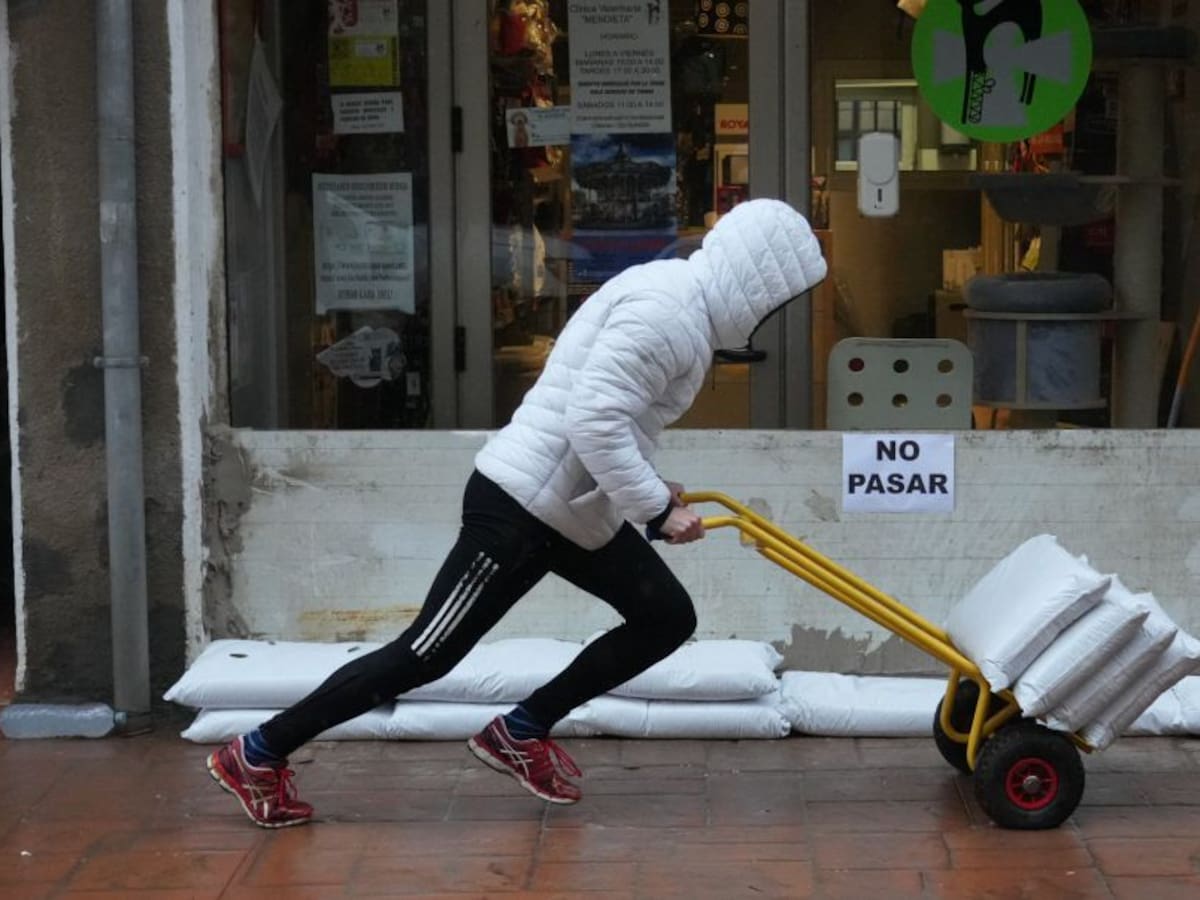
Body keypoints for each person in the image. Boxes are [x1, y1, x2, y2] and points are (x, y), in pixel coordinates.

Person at [205, 198, 828, 828]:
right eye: (776, 303)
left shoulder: (677, 305)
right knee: (425, 653)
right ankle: (257, 752)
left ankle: (521, 730)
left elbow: (611, 420)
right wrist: (655, 507)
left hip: (569, 511)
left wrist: (651, 488)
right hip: (520, 508)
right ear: (757, 286)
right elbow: (593, 421)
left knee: (664, 616)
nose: (770, 316)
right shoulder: (668, 314)